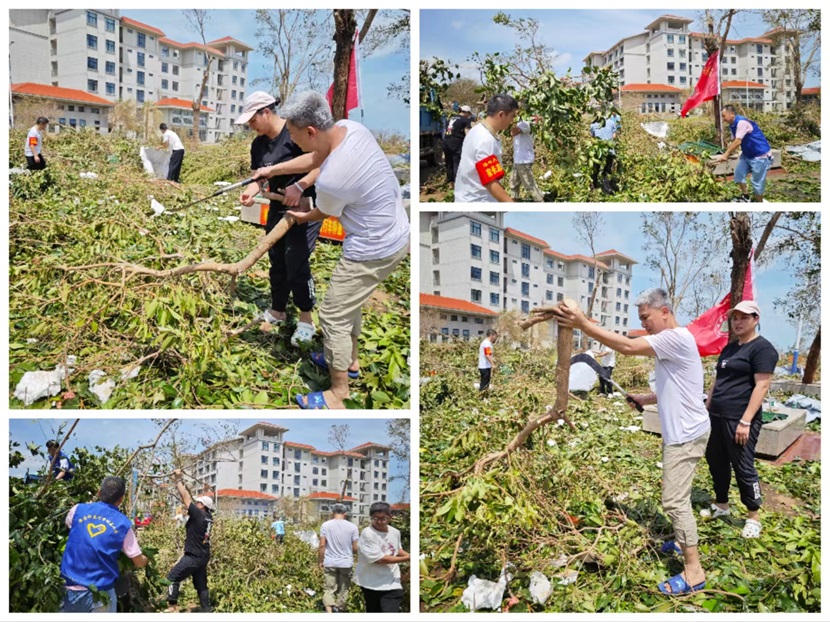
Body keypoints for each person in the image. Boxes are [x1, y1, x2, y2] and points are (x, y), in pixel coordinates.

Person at [251, 91, 409, 410]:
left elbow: (319, 211)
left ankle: (338, 394)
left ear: (310, 131)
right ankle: (349, 361)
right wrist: (272, 172)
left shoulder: (334, 179)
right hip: (394, 232)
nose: (293, 142)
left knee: (334, 314)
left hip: (372, 248)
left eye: (295, 136)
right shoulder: (352, 130)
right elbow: (315, 159)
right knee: (350, 303)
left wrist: (299, 215)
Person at [551, 288, 710, 596]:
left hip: (685, 436)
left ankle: (694, 571)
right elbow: (680, 386)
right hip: (688, 430)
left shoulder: (674, 337)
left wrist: (582, 323)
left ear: (664, 311)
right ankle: (681, 540)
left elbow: (626, 346)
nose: (644, 324)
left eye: (646, 318)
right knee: (680, 494)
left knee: (674, 501)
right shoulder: (677, 341)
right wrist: (646, 398)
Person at [236, 91, 321, 347]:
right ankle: (278, 310)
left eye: (253, 120)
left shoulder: (294, 132)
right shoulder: (258, 144)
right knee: (276, 260)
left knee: (296, 261)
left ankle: (306, 319)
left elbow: (320, 162)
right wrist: (251, 192)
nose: (251, 127)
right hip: (277, 208)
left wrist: (299, 187)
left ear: (266, 111)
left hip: (305, 209)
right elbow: (259, 178)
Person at [705, 301, 778, 539]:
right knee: (716, 460)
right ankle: (722, 505)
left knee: (743, 466)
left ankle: (753, 517)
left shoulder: (762, 349)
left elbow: (762, 385)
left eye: (743, 318)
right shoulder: (730, 348)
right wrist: (708, 404)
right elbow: (719, 379)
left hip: (739, 419)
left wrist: (746, 421)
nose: (737, 322)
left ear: (756, 319)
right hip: (717, 415)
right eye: (734, 318)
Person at [59, 476, 149, 612]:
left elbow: (70, 525)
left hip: (69, 589)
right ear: (121, 499)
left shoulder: (78, 510)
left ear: (99, 492)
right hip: (100, 593)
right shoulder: (123, 524)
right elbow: (137, 561)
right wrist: (146, 560)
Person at [454, 94, 519, 203]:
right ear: (501, 114)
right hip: (477, 202)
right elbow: (490, 180)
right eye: (512, 116)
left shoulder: (477, 130)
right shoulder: (486, 140)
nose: (512, 121)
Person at [165, 469, 214, 613]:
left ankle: (172, 605)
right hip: (203, 556)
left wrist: (178, 480)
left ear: (202, 506)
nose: (195, 504)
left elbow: (185, 497)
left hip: (193, 557)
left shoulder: (199, 514)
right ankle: (206, 609)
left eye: (198, 502)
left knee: (172, 578)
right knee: (201, 585)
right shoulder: (208, 517)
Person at [354, 502, 409, 613]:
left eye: (383, 518)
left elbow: (397, 549)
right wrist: (408, 558)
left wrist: (409, 555)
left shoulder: (395, 532)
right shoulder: (368, 533)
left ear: (390, 517)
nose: (379, 522)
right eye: (375, 518)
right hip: (371, 582)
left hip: (392, 582)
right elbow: (380, 559)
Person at [716, 105, 773, 203]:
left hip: (760, 156)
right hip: (747, 154)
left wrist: (726, 155)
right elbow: (734, 141)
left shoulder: (741, 122)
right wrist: (727, 153)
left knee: (756, 183)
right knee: (738, 174)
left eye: (724, 116)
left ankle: (760, 203)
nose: (723, 119)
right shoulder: (732, 125)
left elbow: (738, 141)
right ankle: (746, 197)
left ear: (732, 114)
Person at [318, 503, 359, 613]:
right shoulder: (353, 527)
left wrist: (320, 561)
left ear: (332, 513)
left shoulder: (325, 525)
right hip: (346, 562)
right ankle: (341, 609)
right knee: (343, 589)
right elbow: (355, 548)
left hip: (330, 561)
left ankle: (329, 611)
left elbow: (322, 545)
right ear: (345, 513)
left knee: (329, 588)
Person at [509, 118, 544, 202]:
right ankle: (513, 203)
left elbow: (513, 132)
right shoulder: (520, 121)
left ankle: (541, 202)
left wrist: (510, 121)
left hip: (524, 160)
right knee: (513, 183)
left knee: (529, 185)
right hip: (518, 159)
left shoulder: (525, 122)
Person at [589, 112, 621, 194]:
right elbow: (614, 136)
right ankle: (606, 188)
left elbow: (592, 138)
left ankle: (593, 187)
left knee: (595, 168)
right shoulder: (611, 122)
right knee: (607, 169)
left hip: (597, 150)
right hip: (609, 150)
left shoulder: (593, 124)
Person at [442, 105, 474, 184]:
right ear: (467, 113)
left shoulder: (450, 119)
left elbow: (446, 130)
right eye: (469, 114)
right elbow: (468, 133)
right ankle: (457, 182)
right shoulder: (465, 120)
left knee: (449, 162)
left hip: (446, 142)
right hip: (456, 143)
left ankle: (450, 181)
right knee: (457, 163)